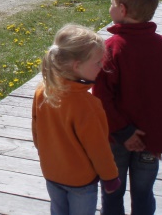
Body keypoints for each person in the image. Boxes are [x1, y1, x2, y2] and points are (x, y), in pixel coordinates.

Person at [93, 0, 162, 215]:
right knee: (144, 194)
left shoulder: (112, 48)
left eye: (112, 2)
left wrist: (124, 132)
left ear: (122, 10)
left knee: (112, 191)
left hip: (117, 140)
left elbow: (102, 97)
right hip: (151, 140)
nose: (111, 7)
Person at [32, 24, 121, 215]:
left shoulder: (42, 91)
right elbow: (99, 148)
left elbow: (37, 133)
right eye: (97, 63)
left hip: (51, 173)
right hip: (80, 182)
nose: (101, 67)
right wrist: (110, 176)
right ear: (76, 65)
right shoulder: (86, 104)